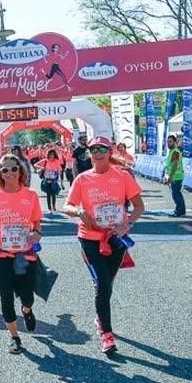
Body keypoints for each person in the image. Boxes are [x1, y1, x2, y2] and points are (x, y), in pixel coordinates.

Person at [63, 136, 145, 354]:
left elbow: (138, 206)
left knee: (107, 282)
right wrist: (79, 211)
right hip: (89, 238)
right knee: (102, 283)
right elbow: (67, 206)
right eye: (93, 149)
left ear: (110, 152)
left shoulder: (122, 176)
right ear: (89, 153)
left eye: (102, 149)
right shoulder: (82, 179)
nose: (97, 153)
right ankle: (107, 334)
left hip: (115, 238)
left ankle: (100, 316)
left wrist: (127, 224)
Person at [0, 154, 43, 354]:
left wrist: (36, 233)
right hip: (0, 254)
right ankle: (14, 337)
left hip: (25, 255)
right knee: (5, 297)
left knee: (27, 296)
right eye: (5, 170)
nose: (10, 173)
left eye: (13, 168)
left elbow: (36, 222)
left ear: (20, 170)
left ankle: (27, 310)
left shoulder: (30, 195)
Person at [163, 134, 186, 216]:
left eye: (170, 142)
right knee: (176, 194)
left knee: (176, 195)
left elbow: (175, 164)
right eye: (167, 142)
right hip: (174, 176)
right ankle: (180, 211)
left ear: (175, 142)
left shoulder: (175, 151)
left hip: (176, 176)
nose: (168, 144)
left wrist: (170, 176)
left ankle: (179, 211)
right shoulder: (172, 151)